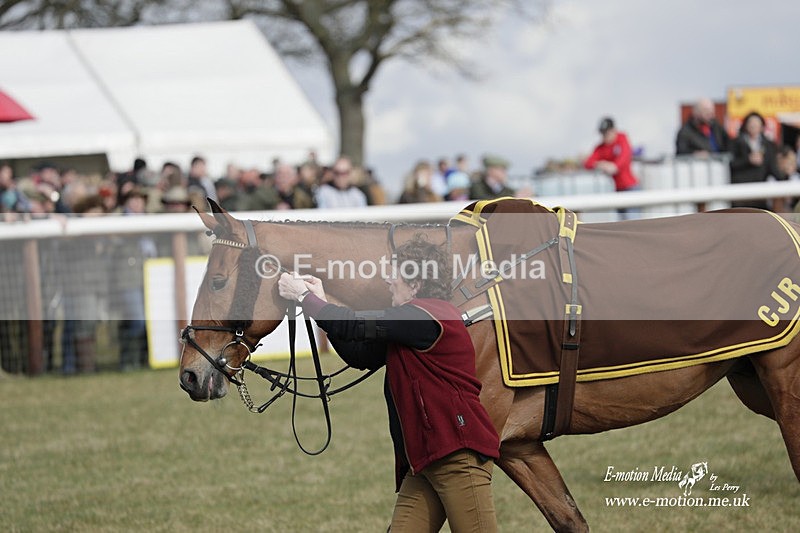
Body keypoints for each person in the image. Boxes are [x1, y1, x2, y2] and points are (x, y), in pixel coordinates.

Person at [277, 235, 500, 532]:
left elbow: (353, 324)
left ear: (416, 283)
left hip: (458, 457)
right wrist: (320, 303)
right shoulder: (412, 321)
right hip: (426, 459)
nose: (387, 280)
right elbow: (360, 354)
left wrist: (306, 298)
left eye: (394, 273)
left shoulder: (422, 316)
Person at [583, 117, 641, 219]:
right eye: (602, 133)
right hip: (618, 190)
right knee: (622, 225)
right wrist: (601, 164)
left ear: (613, 130)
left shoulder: (622, 138)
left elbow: (623, 158)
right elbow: (588, 163)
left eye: (606, 133)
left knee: (633, 223)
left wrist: (612, 166)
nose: (604, 136)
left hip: (631, 188)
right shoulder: (602, 148)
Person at [729, 111, 781, 209]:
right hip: (740, 193)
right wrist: (748, 160)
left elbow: (772, 167)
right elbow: (730, 164)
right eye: (751, 123)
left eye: (756, 124)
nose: (753, 126)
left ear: (762, 126)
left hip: (761, 192)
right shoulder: (735, 143)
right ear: (745, 125)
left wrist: (785, 178)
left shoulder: (769, 145)